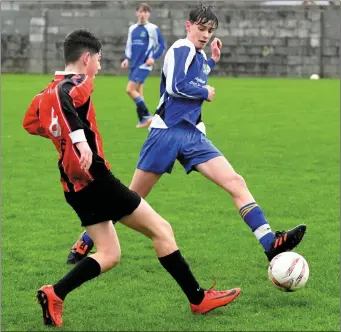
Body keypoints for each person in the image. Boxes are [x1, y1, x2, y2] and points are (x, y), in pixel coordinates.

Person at [23, 28, 240, 327]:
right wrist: (79, 139)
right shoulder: (76, 84)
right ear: (86, 58)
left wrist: (59, 135)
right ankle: (198, 299)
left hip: (73, 186)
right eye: (98, 60)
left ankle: (55, 293)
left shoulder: (46, 90)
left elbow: (30, 122)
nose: (99, 66)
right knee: (162, 230)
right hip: (98, 180)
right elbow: (65, 99)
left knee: (110, 254)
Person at [68, 4, 306, 266]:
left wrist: (212, 60)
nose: (205, 35)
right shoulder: (181, 48)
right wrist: (205, 92)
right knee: (132, 198)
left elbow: (197, 74)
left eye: (210, 31)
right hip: (166, 133)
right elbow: (177, 85)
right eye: (201, 29)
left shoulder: (197, 54)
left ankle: (270, 243)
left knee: (235, 182)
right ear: (188, 26)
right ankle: (86, 241)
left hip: (193, 135)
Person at [121, 2, 166, 128]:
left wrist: (153, 57)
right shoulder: (132, 29)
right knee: (139, 91)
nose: (142, 14)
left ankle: (147, 115)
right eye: (140, 11)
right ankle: (143, 119)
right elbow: (129, 45)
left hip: (144, 64)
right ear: (137, 13)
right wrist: (126, 59)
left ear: (149, 14)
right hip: (134, 64)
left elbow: (162, 45)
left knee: (130, 90)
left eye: (145, 12)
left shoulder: (152, 28)